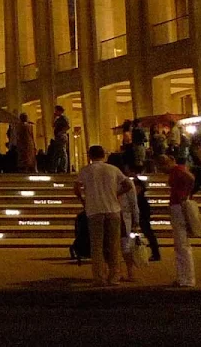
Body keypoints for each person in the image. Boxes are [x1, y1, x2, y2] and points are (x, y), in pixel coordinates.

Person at [73, 145, 132, 286]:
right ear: (103, 155)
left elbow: (76, 187)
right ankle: (114, 276)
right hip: (113, 209)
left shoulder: (86, 170)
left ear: (90, 156)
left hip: (94, 210)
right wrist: (117, 193)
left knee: (97, 246)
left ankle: (99, 277)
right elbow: (128, 184)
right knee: (113, 245)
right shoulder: (113, 169)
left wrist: (83, 200)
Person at [168, 154, 197, 287]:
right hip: (178, 204)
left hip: (178, 206)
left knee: (182, 244)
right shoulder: (178, 170)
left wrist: (184, 195)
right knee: (181, 244)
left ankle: (187, 279)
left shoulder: (177, 170)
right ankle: (183, 277)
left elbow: (190, 178)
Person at [117, 162, 140, 282]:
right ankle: (130, 273)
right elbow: (133, 203)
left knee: (115, 246)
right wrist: (136, 220)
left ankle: (118, 272)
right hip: (123, 215)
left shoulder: (109, 181)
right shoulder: (127, 182)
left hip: (115, 214)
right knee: (126, 246)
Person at [51, 106, 71, 173]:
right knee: (57, 152)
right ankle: (55, 168)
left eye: (56, 111)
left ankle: (63, 168)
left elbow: (68, 126)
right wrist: (54, 118)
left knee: (62, 152)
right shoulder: (58, 119)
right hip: (57, 137)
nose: (55, 112)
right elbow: (53, 125)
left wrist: (61, 132)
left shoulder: (63, 118)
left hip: (61, 136)